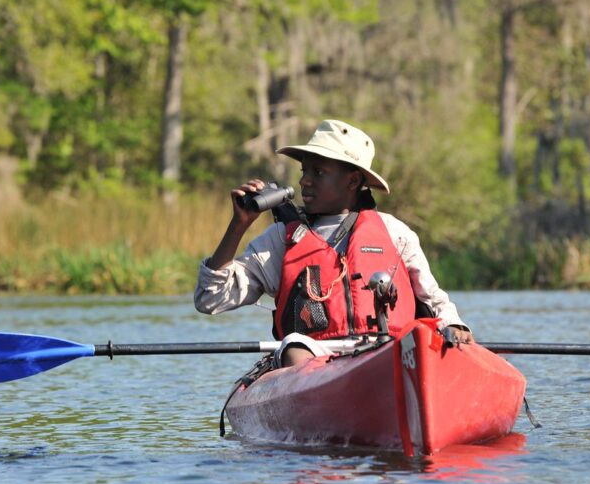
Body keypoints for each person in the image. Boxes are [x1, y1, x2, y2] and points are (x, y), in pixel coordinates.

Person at [194, 119, 473, 368]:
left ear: (352, 181)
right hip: (312, 357)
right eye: (305, 171)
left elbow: (432, 297)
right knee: (294, 346)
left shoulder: (395, 233)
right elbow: (210, 299)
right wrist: (238, 225)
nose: (304, 181)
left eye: (319, 173)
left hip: (388, 352)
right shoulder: (281, 239)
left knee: (417, 341)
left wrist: (454, 325)